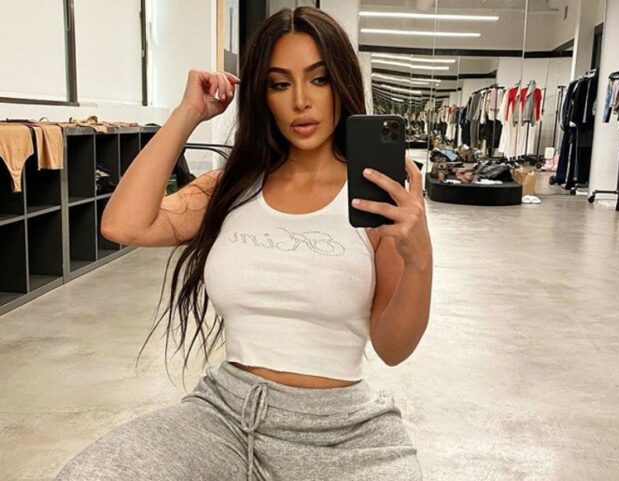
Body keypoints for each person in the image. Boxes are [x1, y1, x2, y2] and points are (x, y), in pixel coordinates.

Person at [54, 6, 433, 481]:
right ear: (261, 95)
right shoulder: (231, 188)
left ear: (341, 84)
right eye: (279, 84)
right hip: (226, 417)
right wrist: (188, 114)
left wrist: (420, 261)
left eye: (318, 80)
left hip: (345, 431)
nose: (301, 101)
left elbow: (394, 347)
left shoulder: (374, 198)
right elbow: (124, 225)